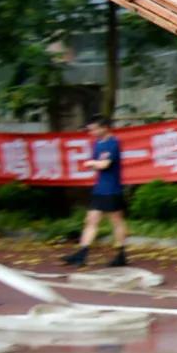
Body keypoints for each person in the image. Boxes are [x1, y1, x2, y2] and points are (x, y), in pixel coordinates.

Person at [62, 114, 128, 267]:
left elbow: (104, 164)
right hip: (100, 188)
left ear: (104, 128)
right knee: (91, 220)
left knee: (116, 221)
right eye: (90, 130)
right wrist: (93, 163)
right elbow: (98, 164)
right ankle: (82, 253)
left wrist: (91, 163)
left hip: (112, 189)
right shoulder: (98, 143)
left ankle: (121, 253)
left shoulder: (113, 143)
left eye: (94, 129)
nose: (92, 132)